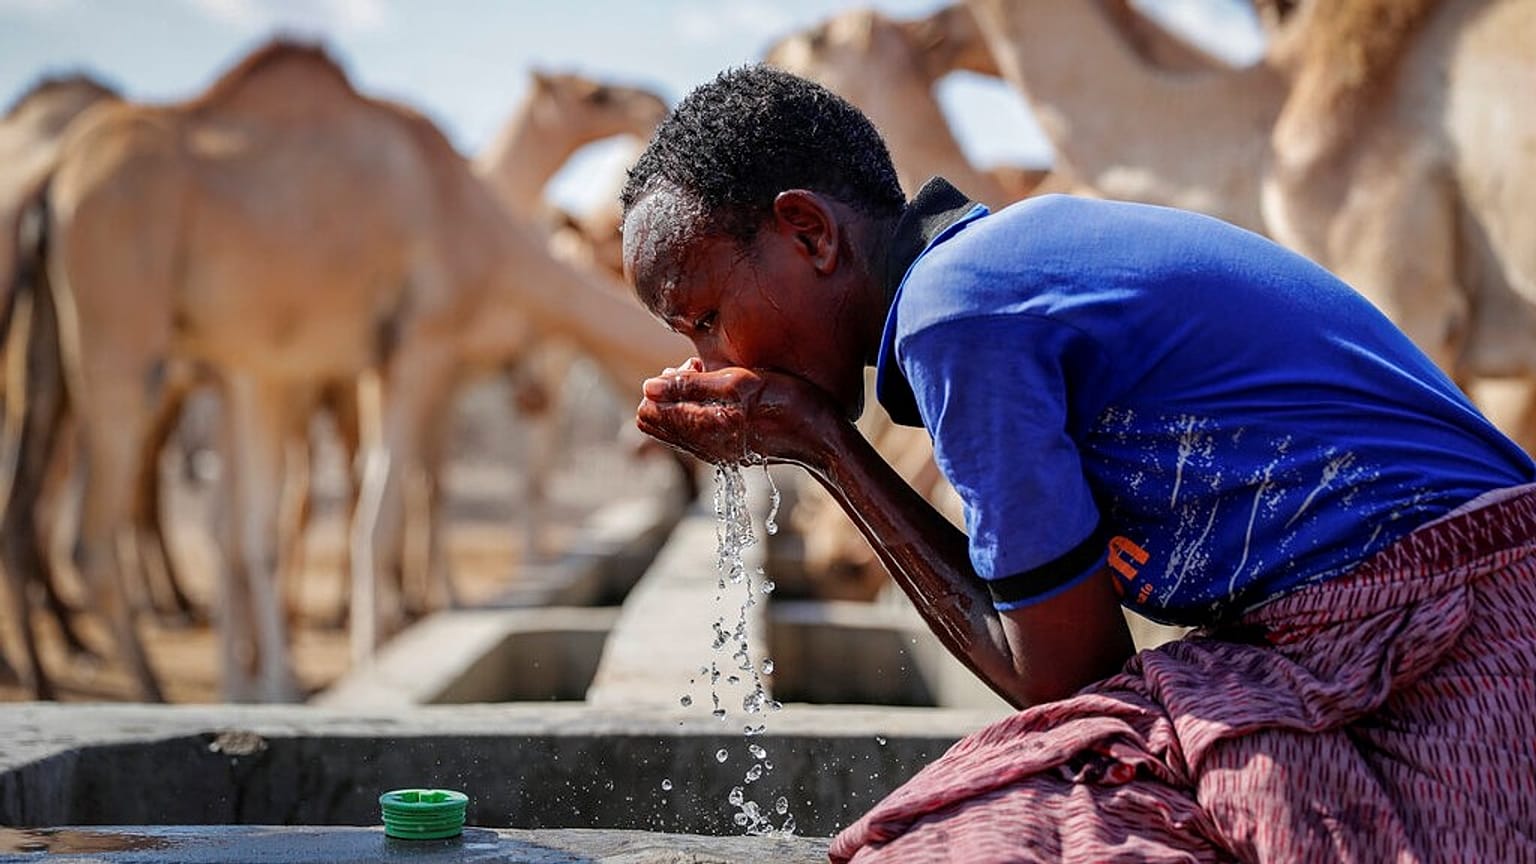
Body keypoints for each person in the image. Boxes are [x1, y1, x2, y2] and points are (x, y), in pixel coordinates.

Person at [621, 65, 1536, 862]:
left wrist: (822, 443)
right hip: (1406, 619)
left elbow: (1069, 686)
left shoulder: (958, 315)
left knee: (975, 833)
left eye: (703, 318)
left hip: (1459, 631)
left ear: (809, 234)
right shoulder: (987, 274)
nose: (707, 365)